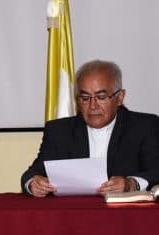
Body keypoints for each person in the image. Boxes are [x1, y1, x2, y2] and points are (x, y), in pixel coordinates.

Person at [21, 59, 159, 197]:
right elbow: (32, 174)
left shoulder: (144, 126)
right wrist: (33, 183)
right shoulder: (59, 131)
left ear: (120, 97)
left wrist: (131, 184)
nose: (93, 106)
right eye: (85, 98)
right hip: (75, 213)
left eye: (101, 97)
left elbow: (155, 171)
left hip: (125, 215)